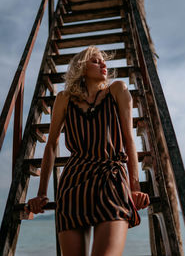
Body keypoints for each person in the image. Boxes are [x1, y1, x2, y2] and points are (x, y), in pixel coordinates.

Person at [25, 46, 150, 256]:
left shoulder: (117, 90)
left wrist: (134, 187)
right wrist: (41, 194)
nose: (103, 64)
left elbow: (129, 140)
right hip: (74, 184)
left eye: (103, 61)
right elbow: (52, 144)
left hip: (111, 180)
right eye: (95, 61)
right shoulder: (65, 98)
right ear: (82, 68)